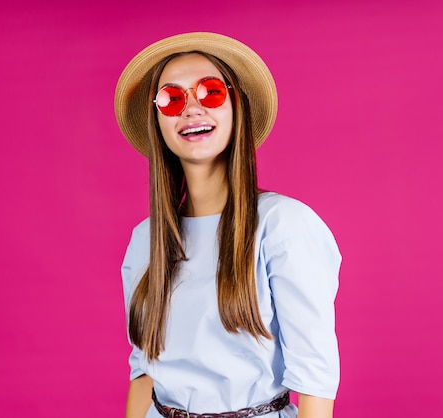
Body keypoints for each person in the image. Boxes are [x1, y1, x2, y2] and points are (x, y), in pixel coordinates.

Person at [114, 32, 341, 418]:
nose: (191, 109)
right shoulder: (145, 240)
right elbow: (144, 373)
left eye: (211, 92)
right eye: (171, 99)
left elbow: (316, 382)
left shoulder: (282, 225)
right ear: (158, 121)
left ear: (236, 106)